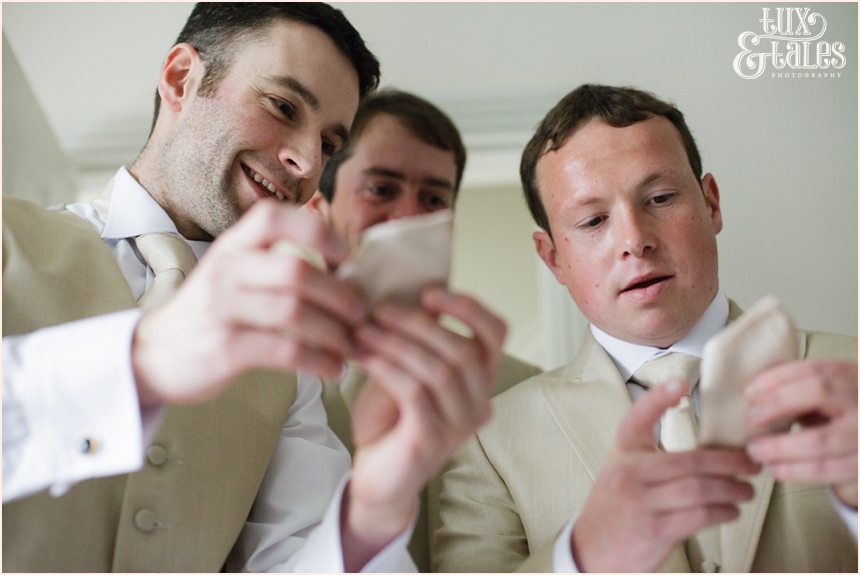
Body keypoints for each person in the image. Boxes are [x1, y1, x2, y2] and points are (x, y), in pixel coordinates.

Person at [3, 4, 506, 572]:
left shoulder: (285, 363)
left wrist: (372, 505)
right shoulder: (7, 240)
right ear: (180, 79)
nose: (307, 160)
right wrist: (142, 360)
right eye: (283, 106)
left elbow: (293, 556)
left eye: (331, 144)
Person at [433, 84, 857, 573]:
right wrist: (583, 553)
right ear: (553, 258)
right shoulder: (490, 442)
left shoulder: (853, 375)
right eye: (593, 221)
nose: (635, 241)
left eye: (659, 198)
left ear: (712, 205)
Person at [302, 88, 542, 570]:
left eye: (433, 198)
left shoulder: (519, 393)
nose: (409, 216)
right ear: (318, 211)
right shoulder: (262, 378)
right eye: (382, 189)